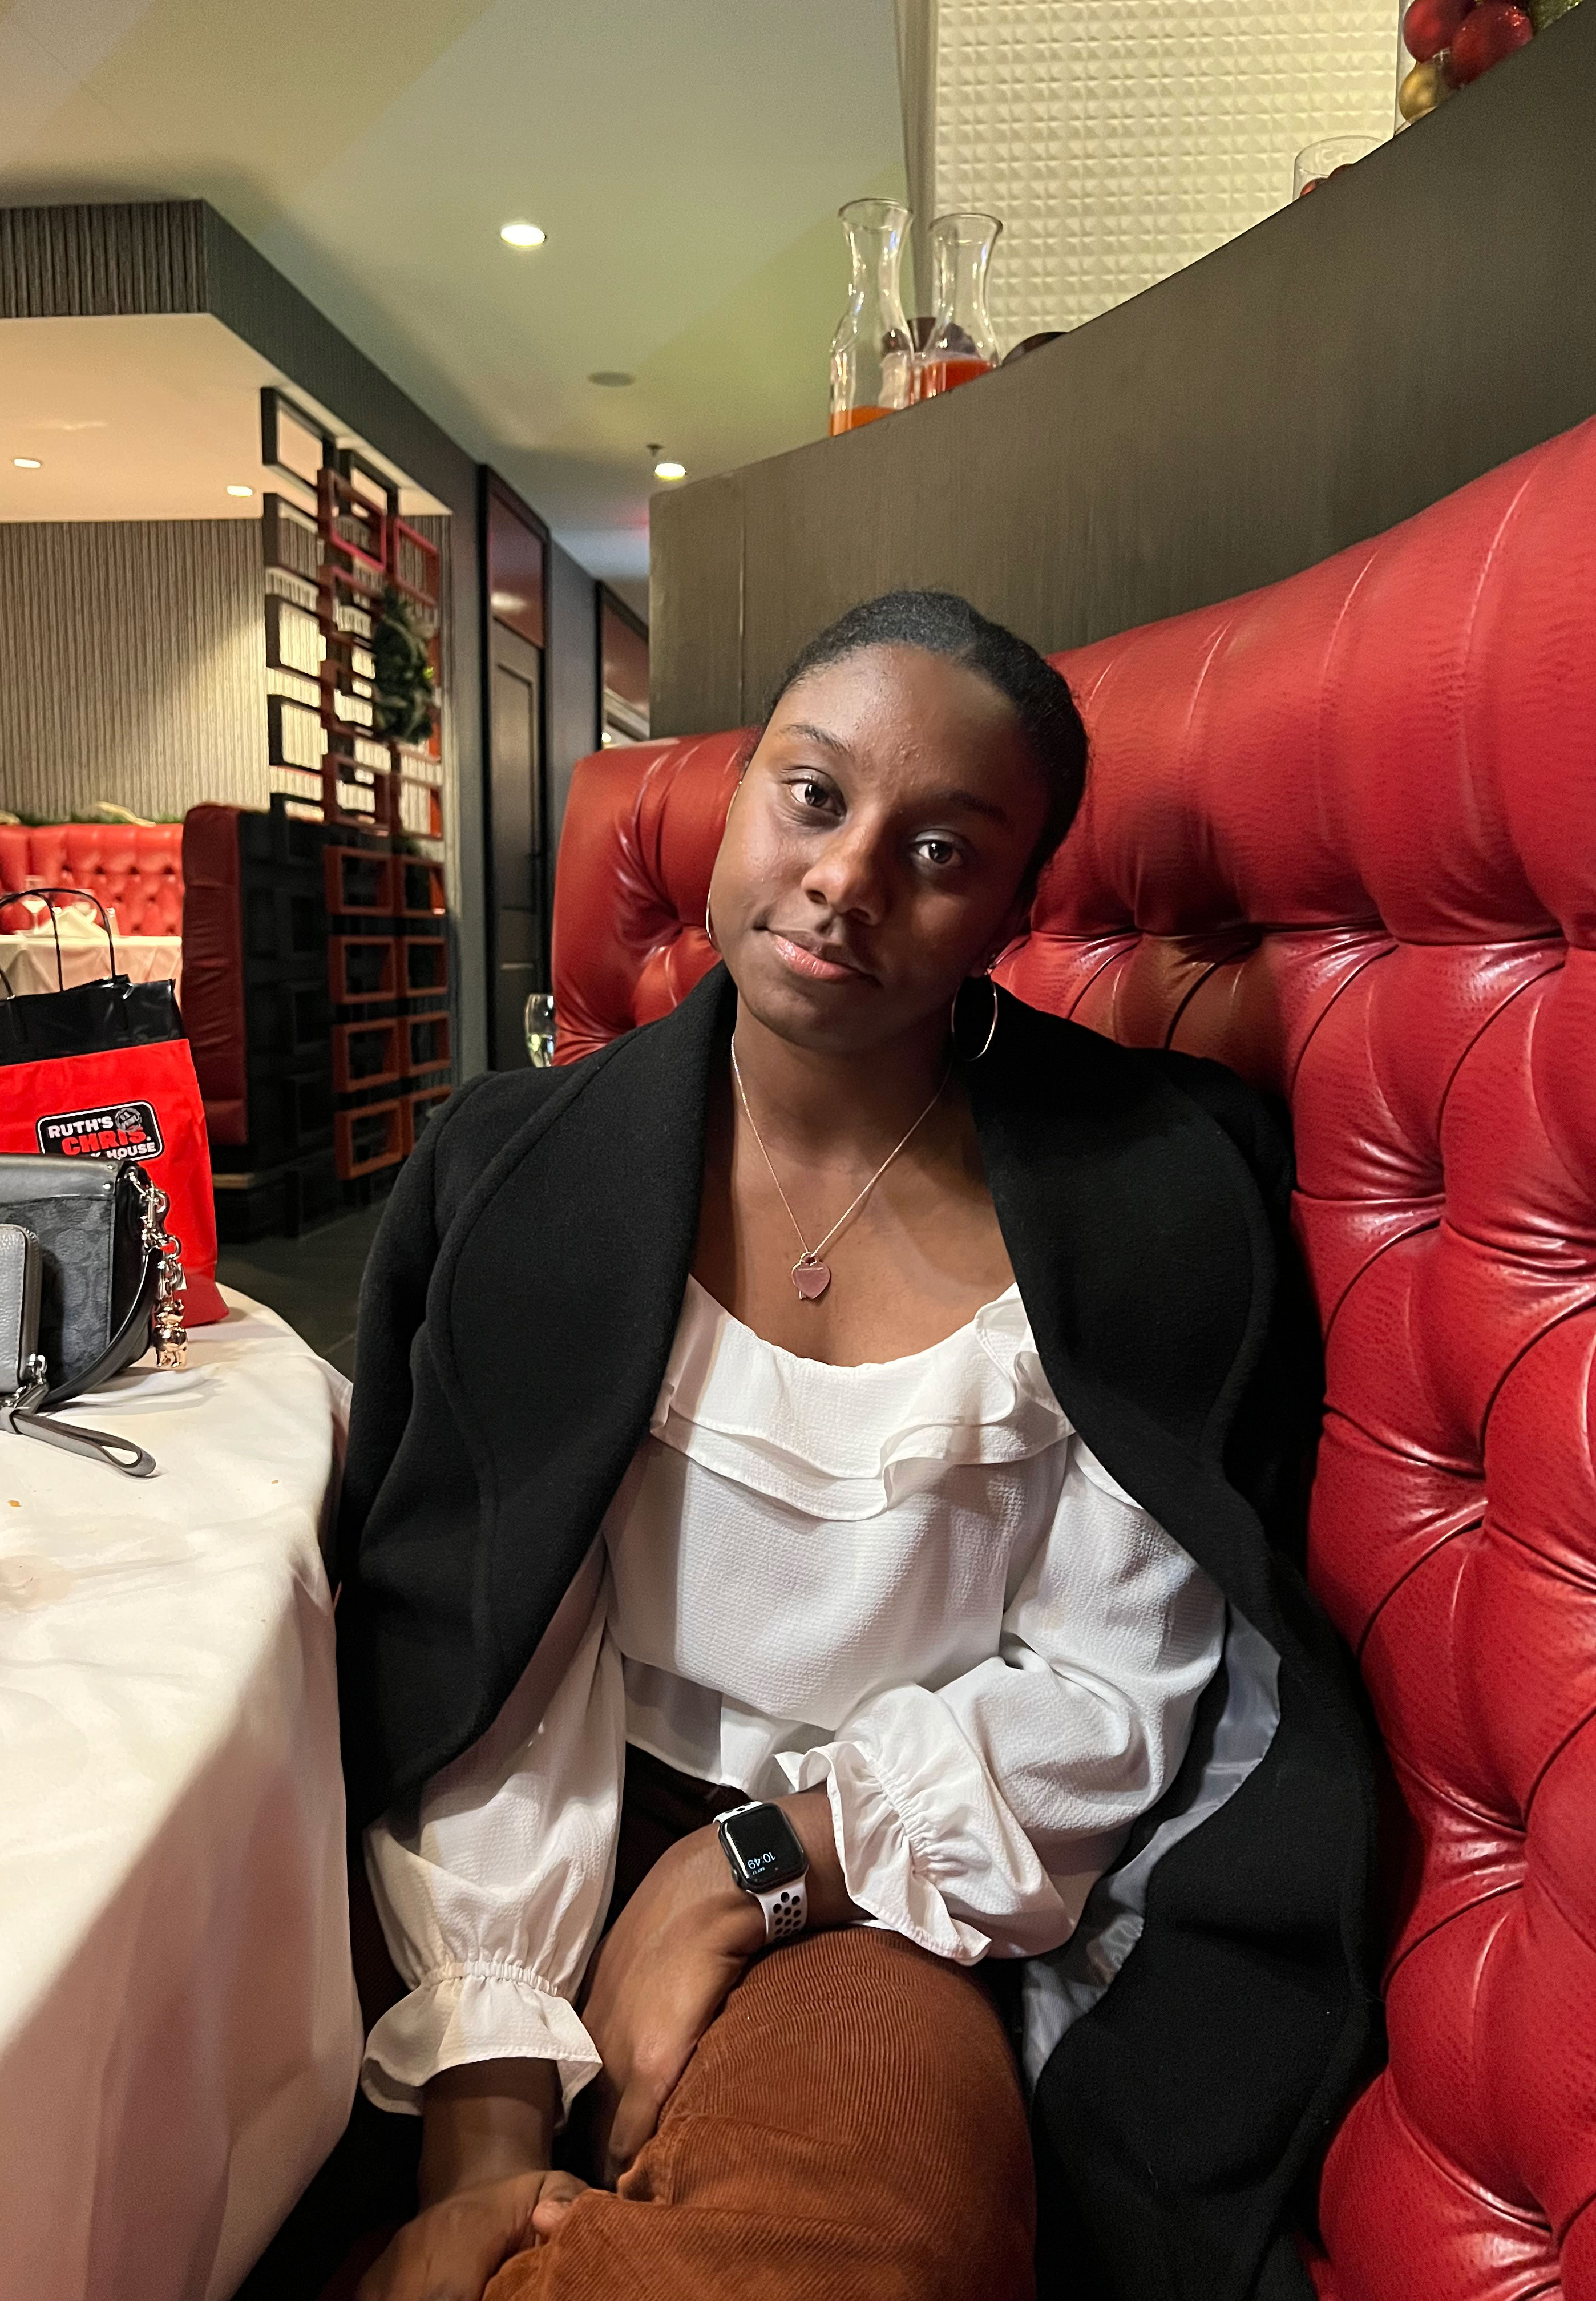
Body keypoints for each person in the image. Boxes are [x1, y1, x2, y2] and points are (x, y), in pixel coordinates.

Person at [334, 591, 1379, 2301]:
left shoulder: (1143, 1215)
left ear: (1015, 913)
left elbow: (1111, 1693)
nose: (847, 879)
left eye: (942, 851)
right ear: (741, 796)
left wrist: (757, 1866)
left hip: (884, 1874)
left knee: (875, 2252)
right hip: (516, 1837)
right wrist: (489, 2117)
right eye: (813, 798)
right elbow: (473, 1644)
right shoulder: (517, 1173)